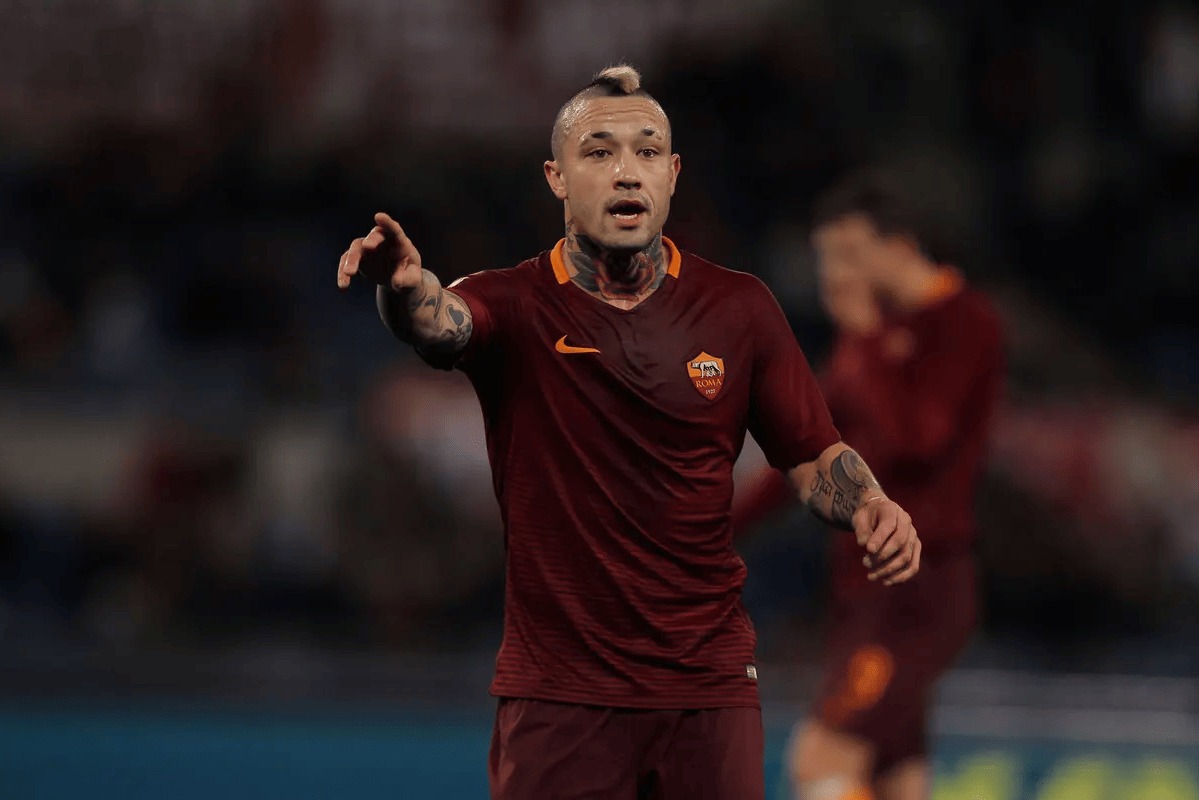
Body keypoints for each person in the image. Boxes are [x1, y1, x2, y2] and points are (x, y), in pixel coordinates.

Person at [336, 65, 921, 800]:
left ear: (672, 175)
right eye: (599, 152)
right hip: (560, 696)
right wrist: (401, 287)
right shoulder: (511, 303)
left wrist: (870, 504)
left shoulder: (739, 308)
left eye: (647, 151)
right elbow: (437, 324)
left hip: (707, 690)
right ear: (556, 177)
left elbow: (810, 455)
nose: (626, 171)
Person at [733, 172, 1005, 800]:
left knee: (821, 760)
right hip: (865, 591)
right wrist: (711, 531)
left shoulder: (964, 323)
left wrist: (864, 337)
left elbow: (920, 439)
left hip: (917, 588)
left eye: (850, 256)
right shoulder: (873, 341)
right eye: (828, 259)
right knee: (894, 778)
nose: (837, 277)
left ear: (899, 246)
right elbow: (805, 453)